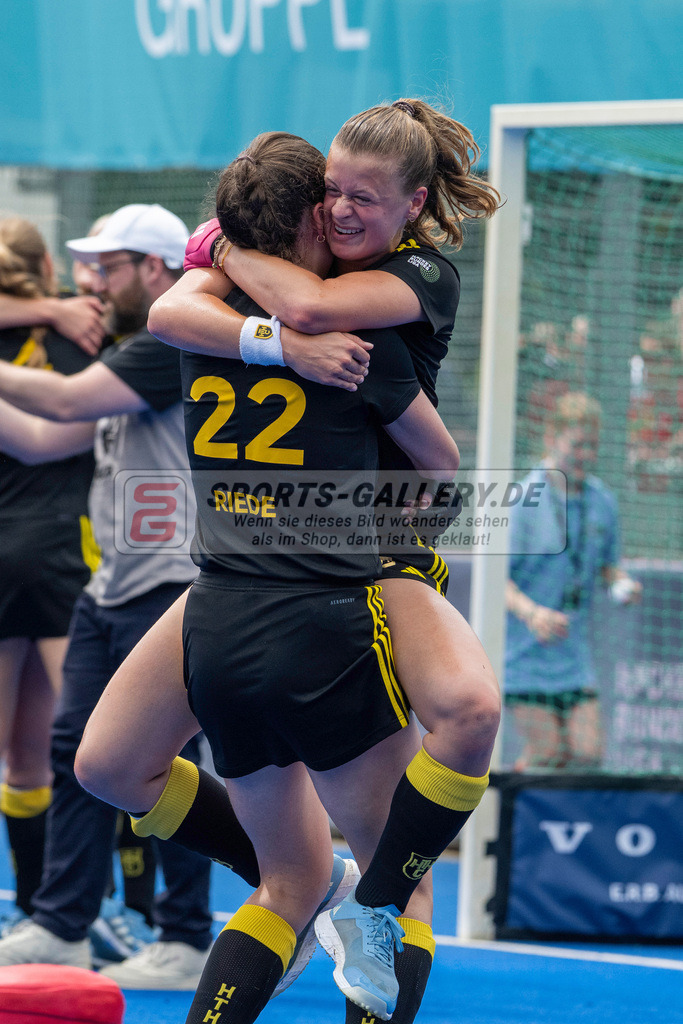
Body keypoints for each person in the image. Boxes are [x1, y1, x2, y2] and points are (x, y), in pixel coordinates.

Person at [78, 99, 500, 1022]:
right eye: (332, 197)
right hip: (292, 577)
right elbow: (193, 310)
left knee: (441, 742)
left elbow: (264, 303)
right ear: (308, 214)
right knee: (114, 768)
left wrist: (223, 258)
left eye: (364, 196)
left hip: (361, 563)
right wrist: (270, 327)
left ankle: (363, 895)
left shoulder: (400, 284)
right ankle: (363, 896)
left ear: (412, 202)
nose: (345, 210)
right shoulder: (280, 319)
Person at [0, 204, 216, 990]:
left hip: (165, 583)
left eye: (109, 265)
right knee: (72, 756)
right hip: (110, 585)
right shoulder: (130, 350)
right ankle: (61, 926)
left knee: (165, 761)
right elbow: (37, 437)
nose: (92, 280)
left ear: (154, 270)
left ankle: (188, 935)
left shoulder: (170, 340)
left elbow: (57, 405)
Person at [0, 217, 97, 935]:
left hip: (30, 552)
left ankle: (45, 917)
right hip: (65, 555)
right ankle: (50, 913)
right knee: (63, 752)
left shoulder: (73, 334)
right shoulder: (79, 335)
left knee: (43, 752)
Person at [504, 391, 642, 771]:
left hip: (573, 656)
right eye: (578, 444)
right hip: (524, 654)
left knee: (586, 755)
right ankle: (507, 822)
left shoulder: (603, 502)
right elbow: (496, 581)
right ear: (552, 438)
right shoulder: (523, 500)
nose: (586, 455)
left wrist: (621, 583)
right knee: (546, 755)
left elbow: (606, 567)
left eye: (593, 446)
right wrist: (533, 614)